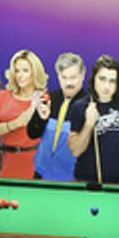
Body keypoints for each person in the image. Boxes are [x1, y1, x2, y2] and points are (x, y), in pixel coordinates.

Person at [67, 55, 119, 194]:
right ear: (93, 79)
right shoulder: (79, 106)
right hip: (86, 182)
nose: (106, 86)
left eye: (112, 81)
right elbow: (75, 150)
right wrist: (89, 124)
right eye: (102, 79)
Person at [28, 51, 88, 182]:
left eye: (73, 77)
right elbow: (32, 133)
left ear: (83, 76)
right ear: (58, 76)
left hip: (73, 179)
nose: (68, 83)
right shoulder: (49, 98)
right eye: (64, 77)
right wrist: (41, 119)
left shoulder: (90, 105)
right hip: (41, 174)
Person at [0, 49, 48, 178]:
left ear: (34, 73)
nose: (20, 75)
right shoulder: (2, 96)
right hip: (4, 161)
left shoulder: (42, 99)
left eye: (25, 70)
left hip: (32, 163)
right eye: (17, 70)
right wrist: (17, 123)